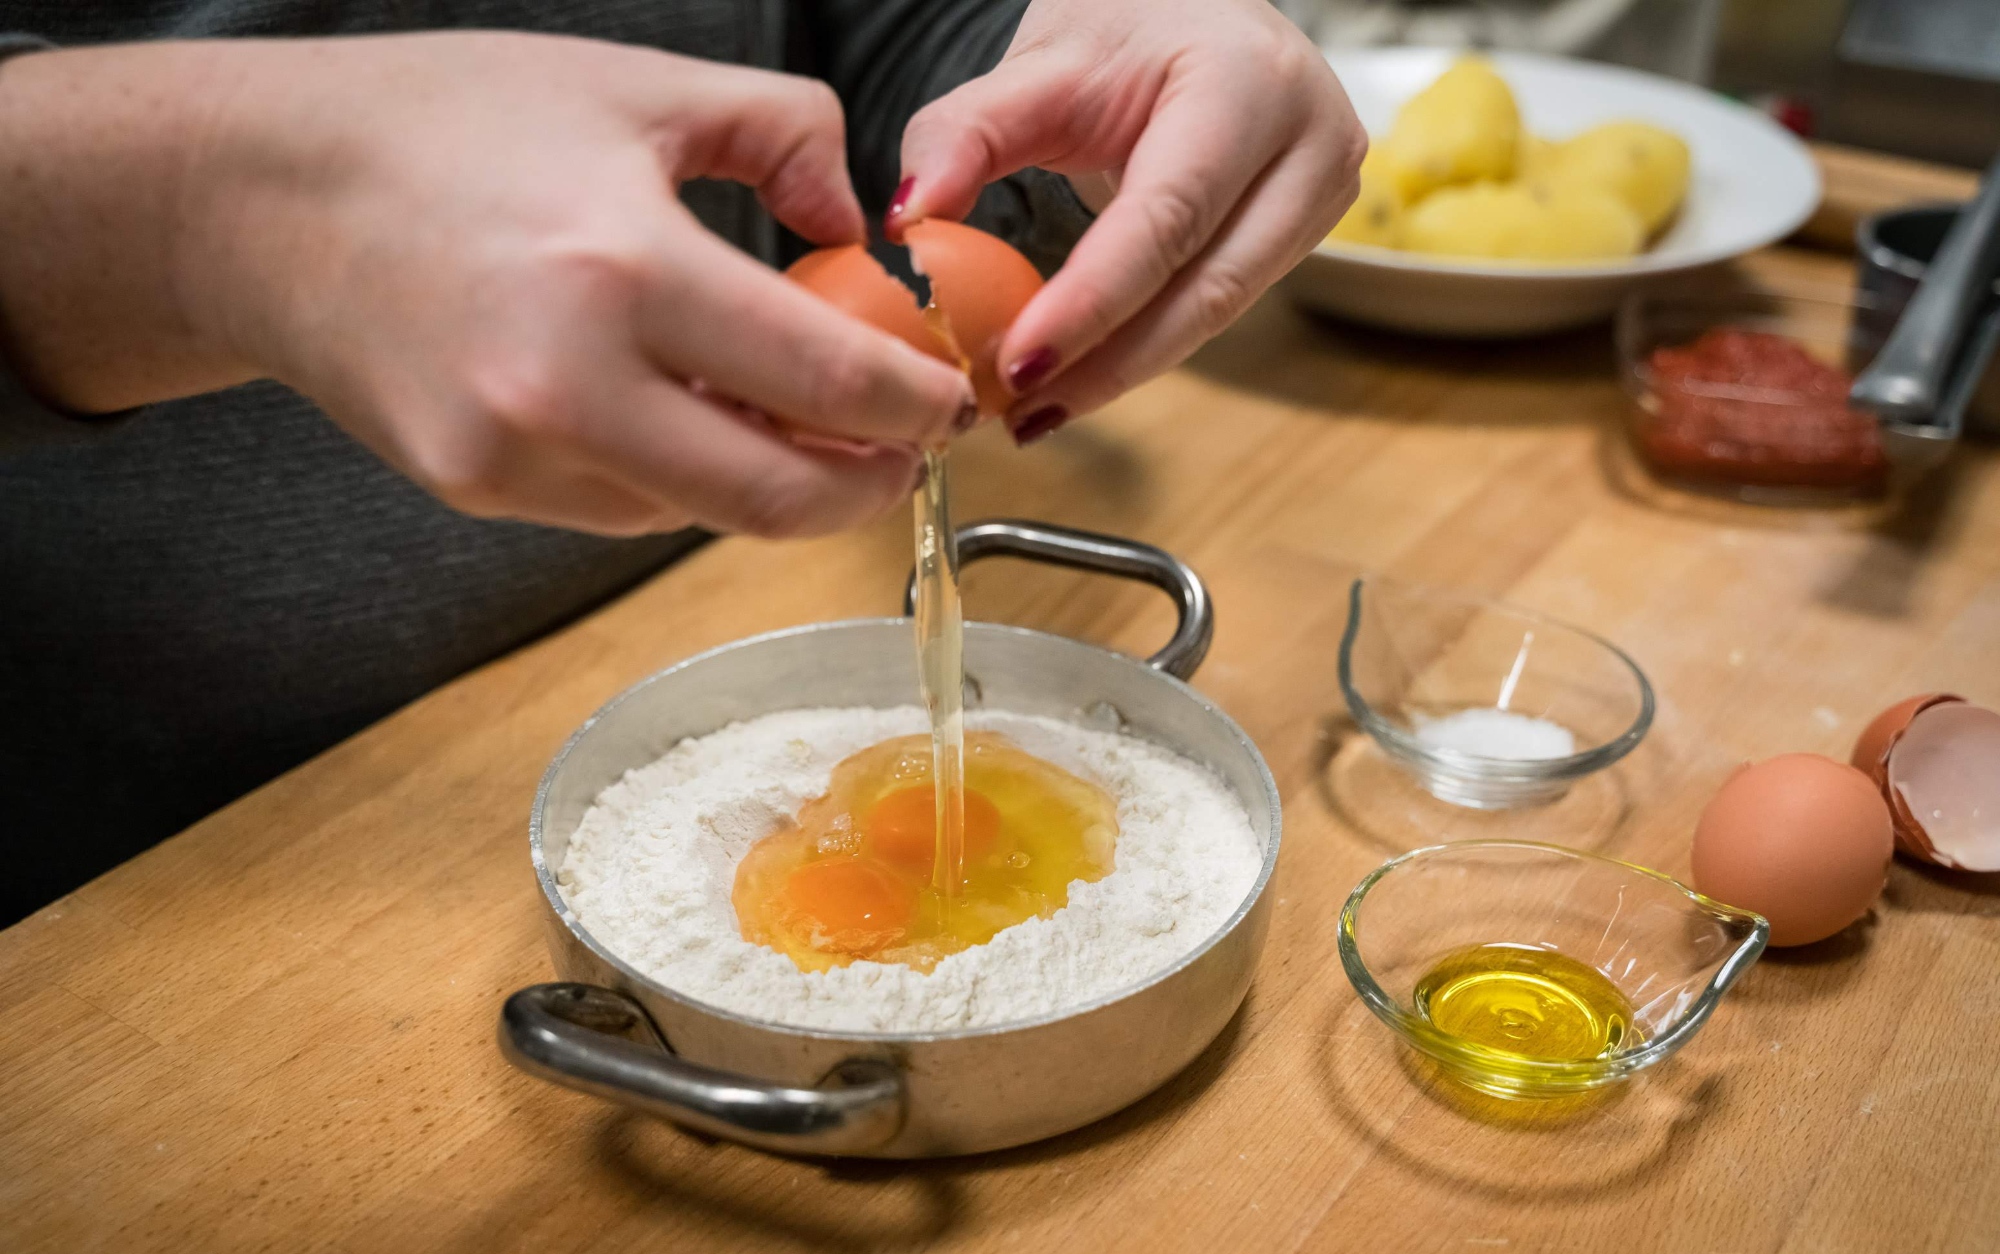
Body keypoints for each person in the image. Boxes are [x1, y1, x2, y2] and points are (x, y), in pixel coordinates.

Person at [0, 1, 1362, 922]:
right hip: (141, 868)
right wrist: (196, 211)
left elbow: (872, 49)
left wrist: (1067, 45)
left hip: (706, 617)